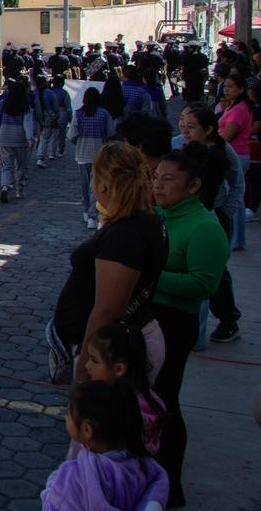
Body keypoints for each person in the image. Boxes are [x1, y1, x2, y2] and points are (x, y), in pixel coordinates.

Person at [49, 142, 169, 386]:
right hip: (117, 344)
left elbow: (107, 311)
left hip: (109, 353)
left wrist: (83, 372)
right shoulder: (140, 219)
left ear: (102, 184)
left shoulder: (125, 236)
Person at [149, 146, 229, 507]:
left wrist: (148, 274)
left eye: (168, 180)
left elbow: (203, 285)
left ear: (194, 185)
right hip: (148, 318)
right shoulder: (158, 215)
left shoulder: (204, 227)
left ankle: (170, 483)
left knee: (165, 399)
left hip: (174, 323)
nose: (158, 186)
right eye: (156, 178)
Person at [174, 104, 244, 344]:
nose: (184, 129)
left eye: (191, 126)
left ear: (208, 130)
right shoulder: (176, 144)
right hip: (183, 214)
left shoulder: (223, 150)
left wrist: (226, 212)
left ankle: (227, 319)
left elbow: (237, 183)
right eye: (182, 123)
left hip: (214, 214)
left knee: (215, 273)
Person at [40, 382, 169, 511]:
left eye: (68, 414)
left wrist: (51, 488)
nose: (66, 417)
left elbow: (54, 506)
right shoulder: (141, 466)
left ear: (87, 430)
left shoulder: (73, 477)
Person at [83, 323, 166, 457]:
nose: (87, 366)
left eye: (94, 360)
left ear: (119, 369)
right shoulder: (151, 401)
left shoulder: (111, 409)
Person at [69, 87, 116, 230]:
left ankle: (86, 210)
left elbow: (71, 135)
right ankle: (92, 215)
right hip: (99, 155)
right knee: (95, 187)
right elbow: (111, 133)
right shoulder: (104, 114)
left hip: (82, 155)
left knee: (84, 186)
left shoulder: (79, 114)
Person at [215, 73, 252, 252]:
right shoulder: (233, 106)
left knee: (234, 197)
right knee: (237, 198)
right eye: (226, 86)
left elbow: (227, 136)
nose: (226, 89)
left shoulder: (239, 109)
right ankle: (237, 238)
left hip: (235, 154)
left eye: (231, 87)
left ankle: (235, 239)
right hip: (236, 153)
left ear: (241, 89)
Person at [0, 77, 34, 202]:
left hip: (3, 137)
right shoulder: (25, 105)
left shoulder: (3, 104)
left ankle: (5, 186)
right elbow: (28, 124)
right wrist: (30, 139)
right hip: (20, 139)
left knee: (6, 166)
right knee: (21, 165)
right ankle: (19, 189)